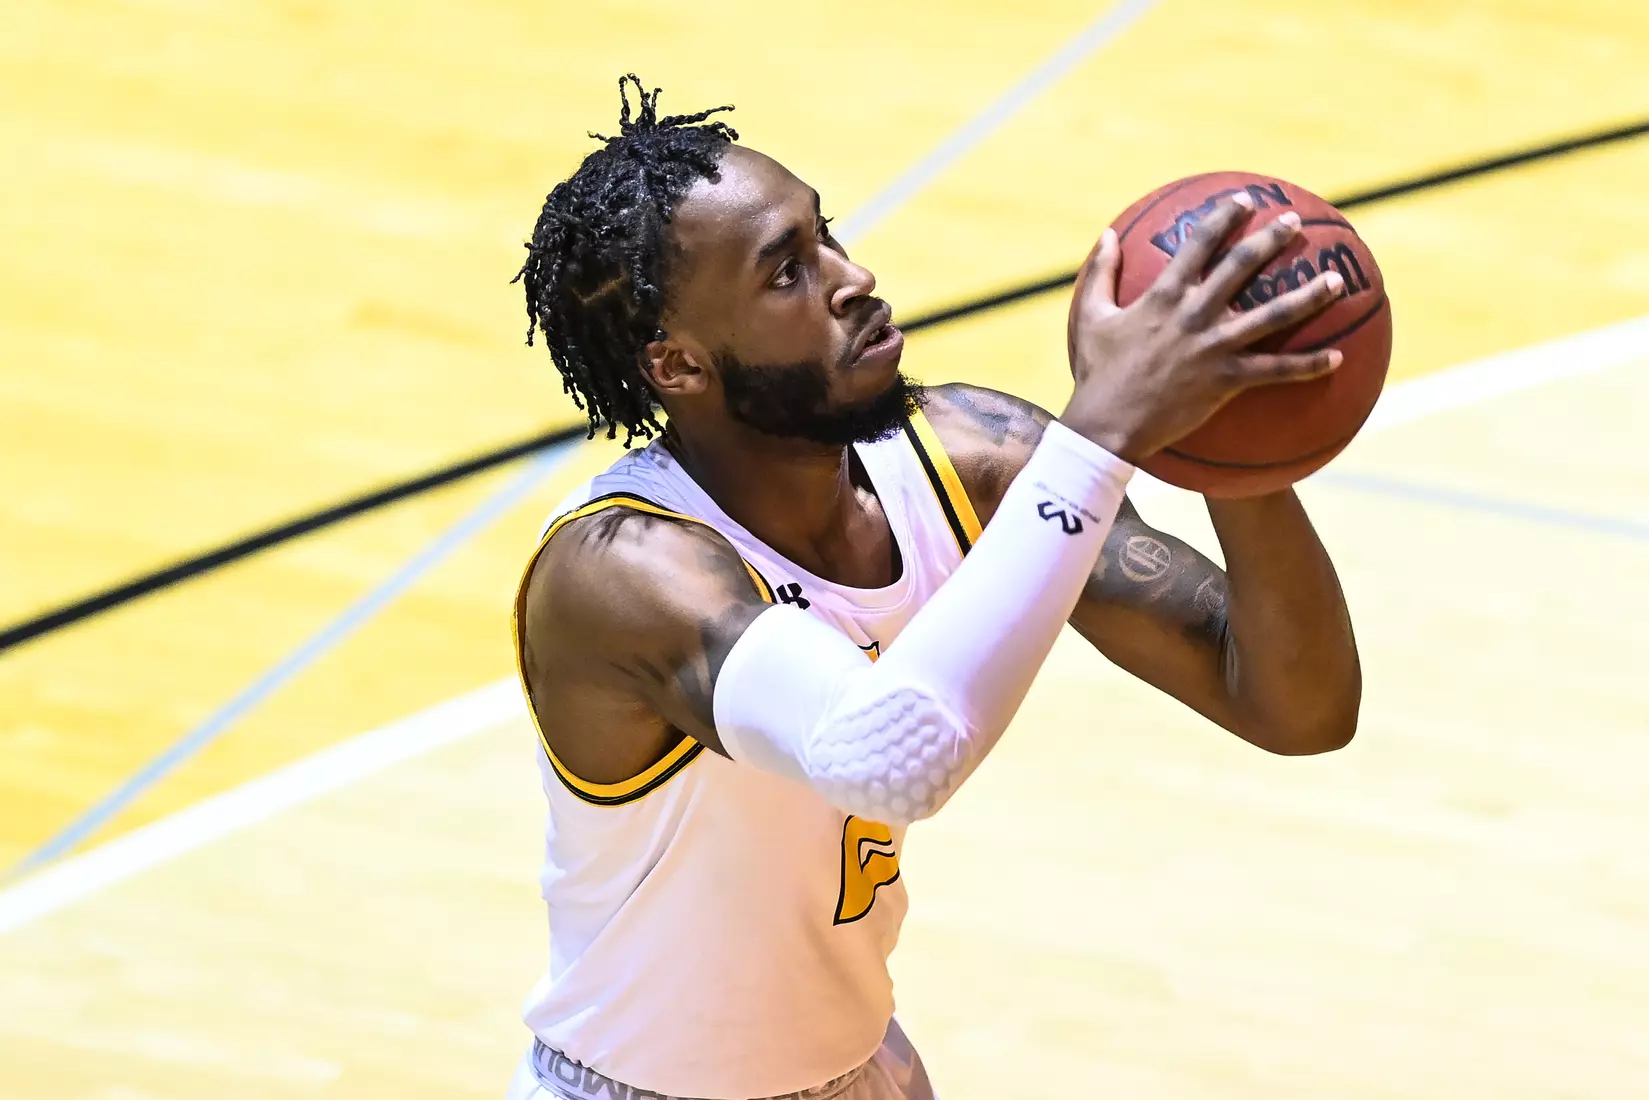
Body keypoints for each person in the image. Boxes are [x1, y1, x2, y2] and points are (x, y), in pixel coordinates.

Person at [504, 76, 1361, 1100]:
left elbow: (1294, 704)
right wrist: (1101, 436)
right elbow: (883, 756)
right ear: (677, 362)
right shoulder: (623, 570)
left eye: (827, 235)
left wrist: (1240, 449)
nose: (853, 276)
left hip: (859, 1069)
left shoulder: (969, 457)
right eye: (787, 272)